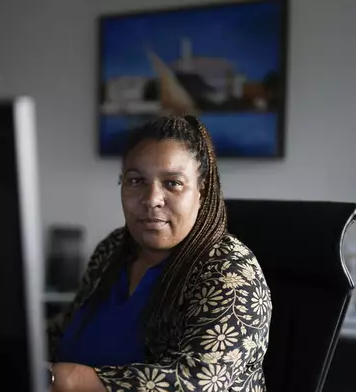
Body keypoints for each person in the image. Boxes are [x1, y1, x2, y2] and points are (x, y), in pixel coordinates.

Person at [46, 114, 272, 392]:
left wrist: (66, 380)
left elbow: (196, 382)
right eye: (136, 181)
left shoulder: (231, 271)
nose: (152, 199)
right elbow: (65, 330)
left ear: (202, 190)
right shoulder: (113, 248)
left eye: (173, 183)